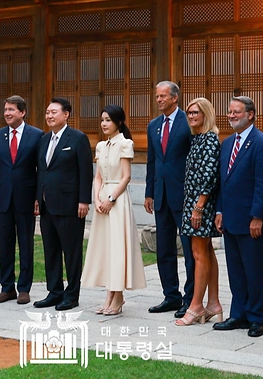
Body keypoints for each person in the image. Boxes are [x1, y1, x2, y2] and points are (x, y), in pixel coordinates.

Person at [213, 96, 263, 338]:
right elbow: (223, 183)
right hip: (230, 219)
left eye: (236, 111)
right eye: (229, 112)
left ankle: (256, 318)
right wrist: (219, 211)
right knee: (236, 271)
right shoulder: (227, 143)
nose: (231, 115)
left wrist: (257, 216)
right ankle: (238, 314)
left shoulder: (262, 143)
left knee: (254, 271)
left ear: (250, 114)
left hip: (253, 222)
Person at [81, 105, 147, 315]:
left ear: (118, 122)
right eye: (102, 120)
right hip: (102, 200)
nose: (104, 124)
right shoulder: (101, 146)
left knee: (118, 248)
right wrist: (97, 197)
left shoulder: (125, 144)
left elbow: (126, 176)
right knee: (106, 249)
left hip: (117, 201)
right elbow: (98, 176)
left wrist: (110, 198)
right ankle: (109, 294)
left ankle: (117, 295)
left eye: (108, 120)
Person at [34, 98, 93, 311]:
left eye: (54, 112)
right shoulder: (43, 140)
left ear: (66, 114)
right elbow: (42, 171)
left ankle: (72, 294)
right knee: (50, 250)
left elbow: (86, 172)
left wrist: (84, 200)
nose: (49, 116)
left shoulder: (77, 138)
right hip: (47, 204)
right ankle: (54, 291)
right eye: (47, 112)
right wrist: (37, 198)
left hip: (70, 204)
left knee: (71, 251)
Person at [145, 80, 195, 318]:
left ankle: (191, 298)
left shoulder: (189, 122)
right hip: (161, 194)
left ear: (175, 98)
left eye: (163, 96)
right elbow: (152, 161)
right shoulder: (153, 125)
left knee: (188, 249)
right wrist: (149, 192)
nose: (159, 100)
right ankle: (171, 296)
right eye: (157, 97)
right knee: (164, 248)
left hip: (183, 195)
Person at [0, 95, 42, 304]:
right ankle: (7, 287)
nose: (7, 113)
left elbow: (40, 170)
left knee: (26, 244)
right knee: (5, 244)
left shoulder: (36, 135)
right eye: (6, 109)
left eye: (12, 110)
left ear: (22, 112)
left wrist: (38, 197)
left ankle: (24, 288)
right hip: (2, 199)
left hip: (26, 198)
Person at [174, 97, 223, 326]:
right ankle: (214, 304)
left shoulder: (210, 140)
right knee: (206, 251)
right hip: (192, 202)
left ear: (206, 114)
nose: (192, 116)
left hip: (200, 205)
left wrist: (199, 207)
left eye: (196, 113)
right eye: (189, 113)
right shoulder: (197, 139)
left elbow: (209, 177)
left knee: (198, 253)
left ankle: (195, 306)